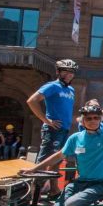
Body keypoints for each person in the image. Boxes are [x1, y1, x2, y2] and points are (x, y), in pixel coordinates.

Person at [27, 59, 78, 196]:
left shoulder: (71, 89)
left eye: (71, 72)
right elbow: (32, 101)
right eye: (65, 71)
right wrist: (46, 120)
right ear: (58, 72)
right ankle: (33, 194)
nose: (69, 74)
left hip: (64, 129)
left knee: (57, 159)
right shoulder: (52, 86)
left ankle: (54, 189)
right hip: (53, 129)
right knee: (45, 160)